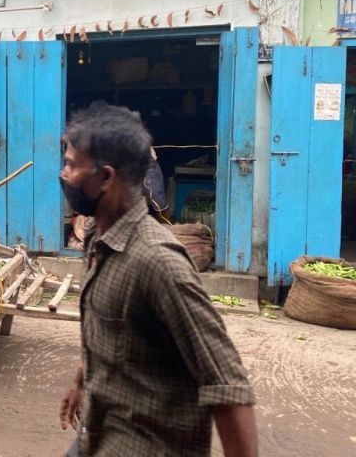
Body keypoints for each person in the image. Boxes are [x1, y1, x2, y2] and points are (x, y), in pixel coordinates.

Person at [58, 104, 257, 457]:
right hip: (98, 435)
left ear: (106, 178)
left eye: (73, 165)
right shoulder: (96, 235)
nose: (63, 174)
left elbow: (228, 386)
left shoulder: (158, 262)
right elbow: (112, 327)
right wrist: (81, 378)